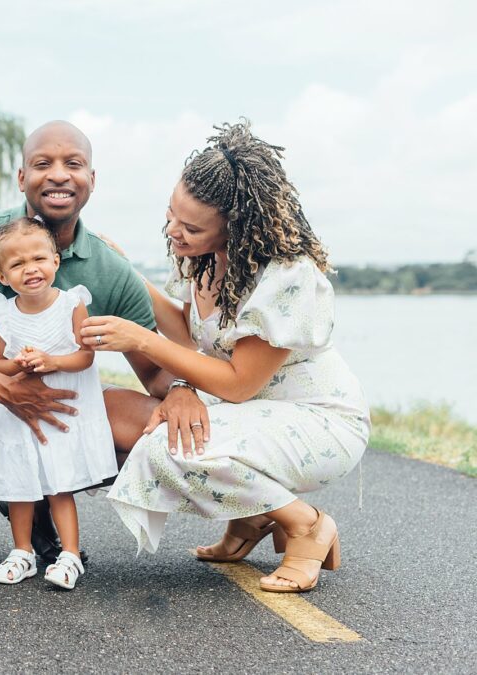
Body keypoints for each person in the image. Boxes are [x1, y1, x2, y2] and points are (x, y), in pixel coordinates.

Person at [0, 121, 208, 581]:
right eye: (42, 164)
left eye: (73, 164)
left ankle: (35, 495)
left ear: (92, 179)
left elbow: (153, 371)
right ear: (21, 178)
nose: (58, 175)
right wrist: (1, 387)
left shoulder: (108, 268)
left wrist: (181, 387)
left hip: (61, 404)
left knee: (159, 428)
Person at [81, 121, 370, 593]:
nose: (174, 232)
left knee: (171, 447)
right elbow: (194, 332)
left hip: (319, 419)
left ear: (238, 228)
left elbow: (238, 383)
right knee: (120, 415)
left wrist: (141, 340)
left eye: (191, 227)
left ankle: (306, 526)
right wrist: (128, 275)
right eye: (172, 215)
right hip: (257, 411)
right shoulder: (208, 258)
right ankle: (251, 519)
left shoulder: (286, 277)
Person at [0, 218, 117, 589]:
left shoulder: (72, 304)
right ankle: (22, 552)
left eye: (38, 258)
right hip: (16, 415)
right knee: (18, 486)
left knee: (60, 484)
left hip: (58, 412)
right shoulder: (2, 313)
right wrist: (19, 363)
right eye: (17, 264)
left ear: (55, 261)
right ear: (2, 275)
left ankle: (69, 553)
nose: (30, 269)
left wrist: (52, 361)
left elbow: (85, 357)